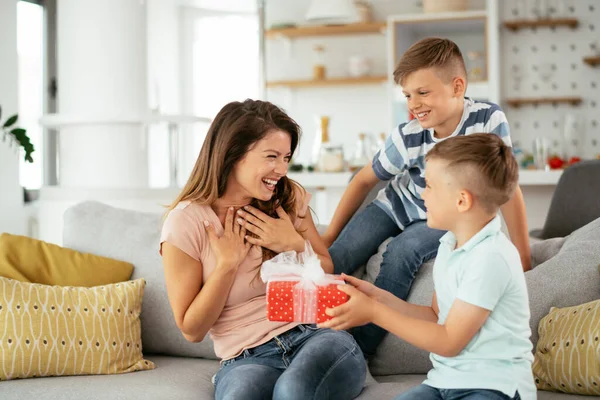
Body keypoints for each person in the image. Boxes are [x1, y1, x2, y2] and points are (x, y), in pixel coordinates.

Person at [321, 37, 531, 357]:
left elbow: (508, 188)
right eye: (407, 95)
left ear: (457, 86)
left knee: (403, 250)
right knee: (340, 256)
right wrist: (330, 237)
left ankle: (358, 350)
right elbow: (362, 181)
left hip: (443, 215)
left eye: (422, 92)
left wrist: (523, 256)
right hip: (395, 205)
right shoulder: (408, 135)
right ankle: (307, 334)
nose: (413, 104)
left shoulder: (487, 121)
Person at [160, 99, 366, 400]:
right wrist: (226, 266)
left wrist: (292, 244)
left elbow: (326, 267)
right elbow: (192, 330)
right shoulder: (186, 223)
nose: (282, 170)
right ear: (233, 154)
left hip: (315, 337)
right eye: (272, 157)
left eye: (286, 158)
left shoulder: (287, 198)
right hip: (245, 358)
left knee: (293, 391)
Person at [321, 133, 535, 400]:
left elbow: (448, 341)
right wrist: (377, 297)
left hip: (494, 387)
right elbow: (435, 315)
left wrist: (375, 313)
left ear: (462, 201)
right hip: (444, 383)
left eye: (430, 186)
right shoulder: (449, 244)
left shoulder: (491, 256)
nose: (422, 193)